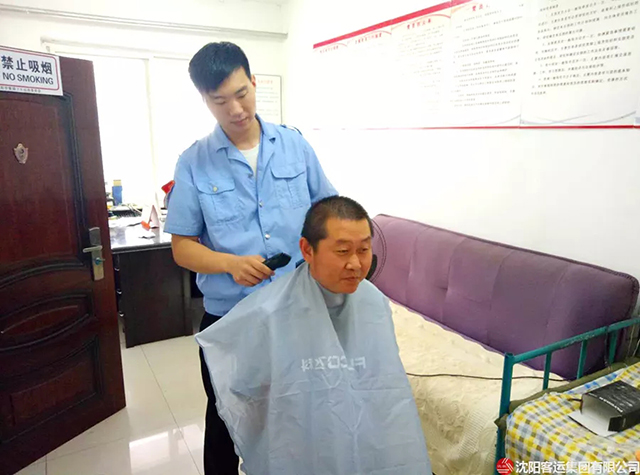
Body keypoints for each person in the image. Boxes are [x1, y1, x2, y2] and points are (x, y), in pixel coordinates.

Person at [164, 42, 337, 475]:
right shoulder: (193, 163)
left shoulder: (295, 146)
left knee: (297, 412)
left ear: (254, 82)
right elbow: (182, 247)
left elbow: (327, 212)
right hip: (231, 319)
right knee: (226, 417)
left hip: (297, 309)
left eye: (242, 93)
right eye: (220, 100)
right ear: (205, 100)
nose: (236, 109)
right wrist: (230, 264)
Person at [196, 196, 433, 475]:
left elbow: (383, 385)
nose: (356, 264)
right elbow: (248, 397)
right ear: (307, 250)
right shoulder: (269, 314)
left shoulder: (375, 303)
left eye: (364, 249)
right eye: (343, 251)